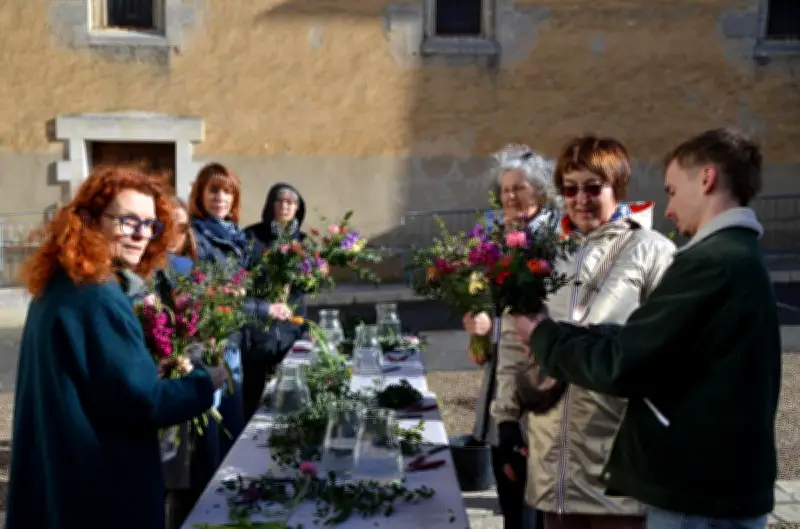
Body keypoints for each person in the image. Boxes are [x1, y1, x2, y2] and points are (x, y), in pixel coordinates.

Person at [513, 128, 779, 529]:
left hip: (655, 475)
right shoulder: (544, 249)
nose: (668, 208)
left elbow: (630, 360)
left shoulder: (692, 258)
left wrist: (545, 335)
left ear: (706, 179)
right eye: (569, 189)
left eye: (671, 191)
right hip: (559, 459)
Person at [465, 136, 675, 529]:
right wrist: (507, 422)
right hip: (551, 460)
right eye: (570, 188)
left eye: (594, 187)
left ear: (618, 187)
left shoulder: (652, 251)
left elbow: (669, 348)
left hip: (617, 459)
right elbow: (514, 341)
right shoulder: (540, 253)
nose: (581, 198)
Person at [5, 165, 227, 529]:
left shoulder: (61, 284)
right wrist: (206, 381)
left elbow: (99, 383)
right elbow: (145, 401)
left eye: (150, 224)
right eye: (127, 221)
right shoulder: (98, 295)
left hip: (61, 478)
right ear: (89, 222)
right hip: (99, 490)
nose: (142, 235)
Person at [462, 144, 557, 529]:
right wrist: (477, 324)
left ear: (539, 190)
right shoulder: (501, 240)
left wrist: (494, 326)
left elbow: (547, 315)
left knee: (530, 498)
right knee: (510, 491)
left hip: (538, 385)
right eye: (504, 189)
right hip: (503, 380)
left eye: (519, 187)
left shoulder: (552, 240)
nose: (510, 196)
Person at [189, 163, 292, 459]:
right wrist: (264, 307)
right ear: (200, 194)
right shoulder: (196, 238)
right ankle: (209, 498)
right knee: (214, 434)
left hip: (232, 340)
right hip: (209, 344)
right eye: (213, 190)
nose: (220, 198)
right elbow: (211, 296)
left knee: (232, 428)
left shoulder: (234, 237)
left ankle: (230, 493)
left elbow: (240, 287)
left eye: (227, 192)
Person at [242, 182, 311, 420]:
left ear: (298, 209)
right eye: (279, 201)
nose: (284, 206)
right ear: (270, 205)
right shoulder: (252, 237)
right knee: (252, 399)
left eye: (290, 203)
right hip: (258, 332)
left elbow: (308, 288)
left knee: (289, 397)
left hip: (291, 329)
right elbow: (242, 279)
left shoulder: (303, 242)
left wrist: (311, 278)